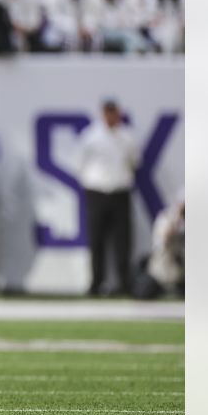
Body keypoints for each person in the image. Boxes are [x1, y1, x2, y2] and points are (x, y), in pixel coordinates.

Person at [77, 99, 140, 296]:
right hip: (97, 192)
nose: (112, 117)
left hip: (120, 192)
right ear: (103, 114)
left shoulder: (127, 136)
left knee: (123, 241)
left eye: (115, 113)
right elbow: (79, 163)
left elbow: (135, 161)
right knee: (96, 240)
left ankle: (124, 282)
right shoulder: (91, 136)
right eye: (108, 113)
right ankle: (96, 282)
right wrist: (91, 182)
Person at [133, 191, 184, 300]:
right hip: (162, 271)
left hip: (182, 272)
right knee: (144, 292)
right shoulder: (165, 218)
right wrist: (176, 222)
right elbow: (162, 242)